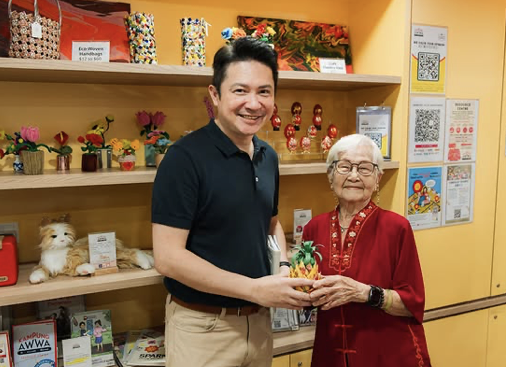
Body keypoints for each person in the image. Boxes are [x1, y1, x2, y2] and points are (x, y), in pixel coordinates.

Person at [151, 36, 313, 367]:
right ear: (215, 94)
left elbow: (271, 223)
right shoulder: (184, 159)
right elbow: (168, 258)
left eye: (264, 92)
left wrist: (282, 269)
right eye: (240, 90)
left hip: (259, 324)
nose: (253, 103)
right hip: (203, 328)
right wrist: (255, 289)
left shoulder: (268, 157)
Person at [304, 134, 431, 367]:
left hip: (389, 355)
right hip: (330, 354)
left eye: (364, 168)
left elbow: (413, 303)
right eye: (344, 166)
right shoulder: (314, 228)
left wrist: (365, 293)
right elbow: (307, 294)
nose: (353, 175)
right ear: (330, 175)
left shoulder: (396, 227)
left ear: (377, 177)